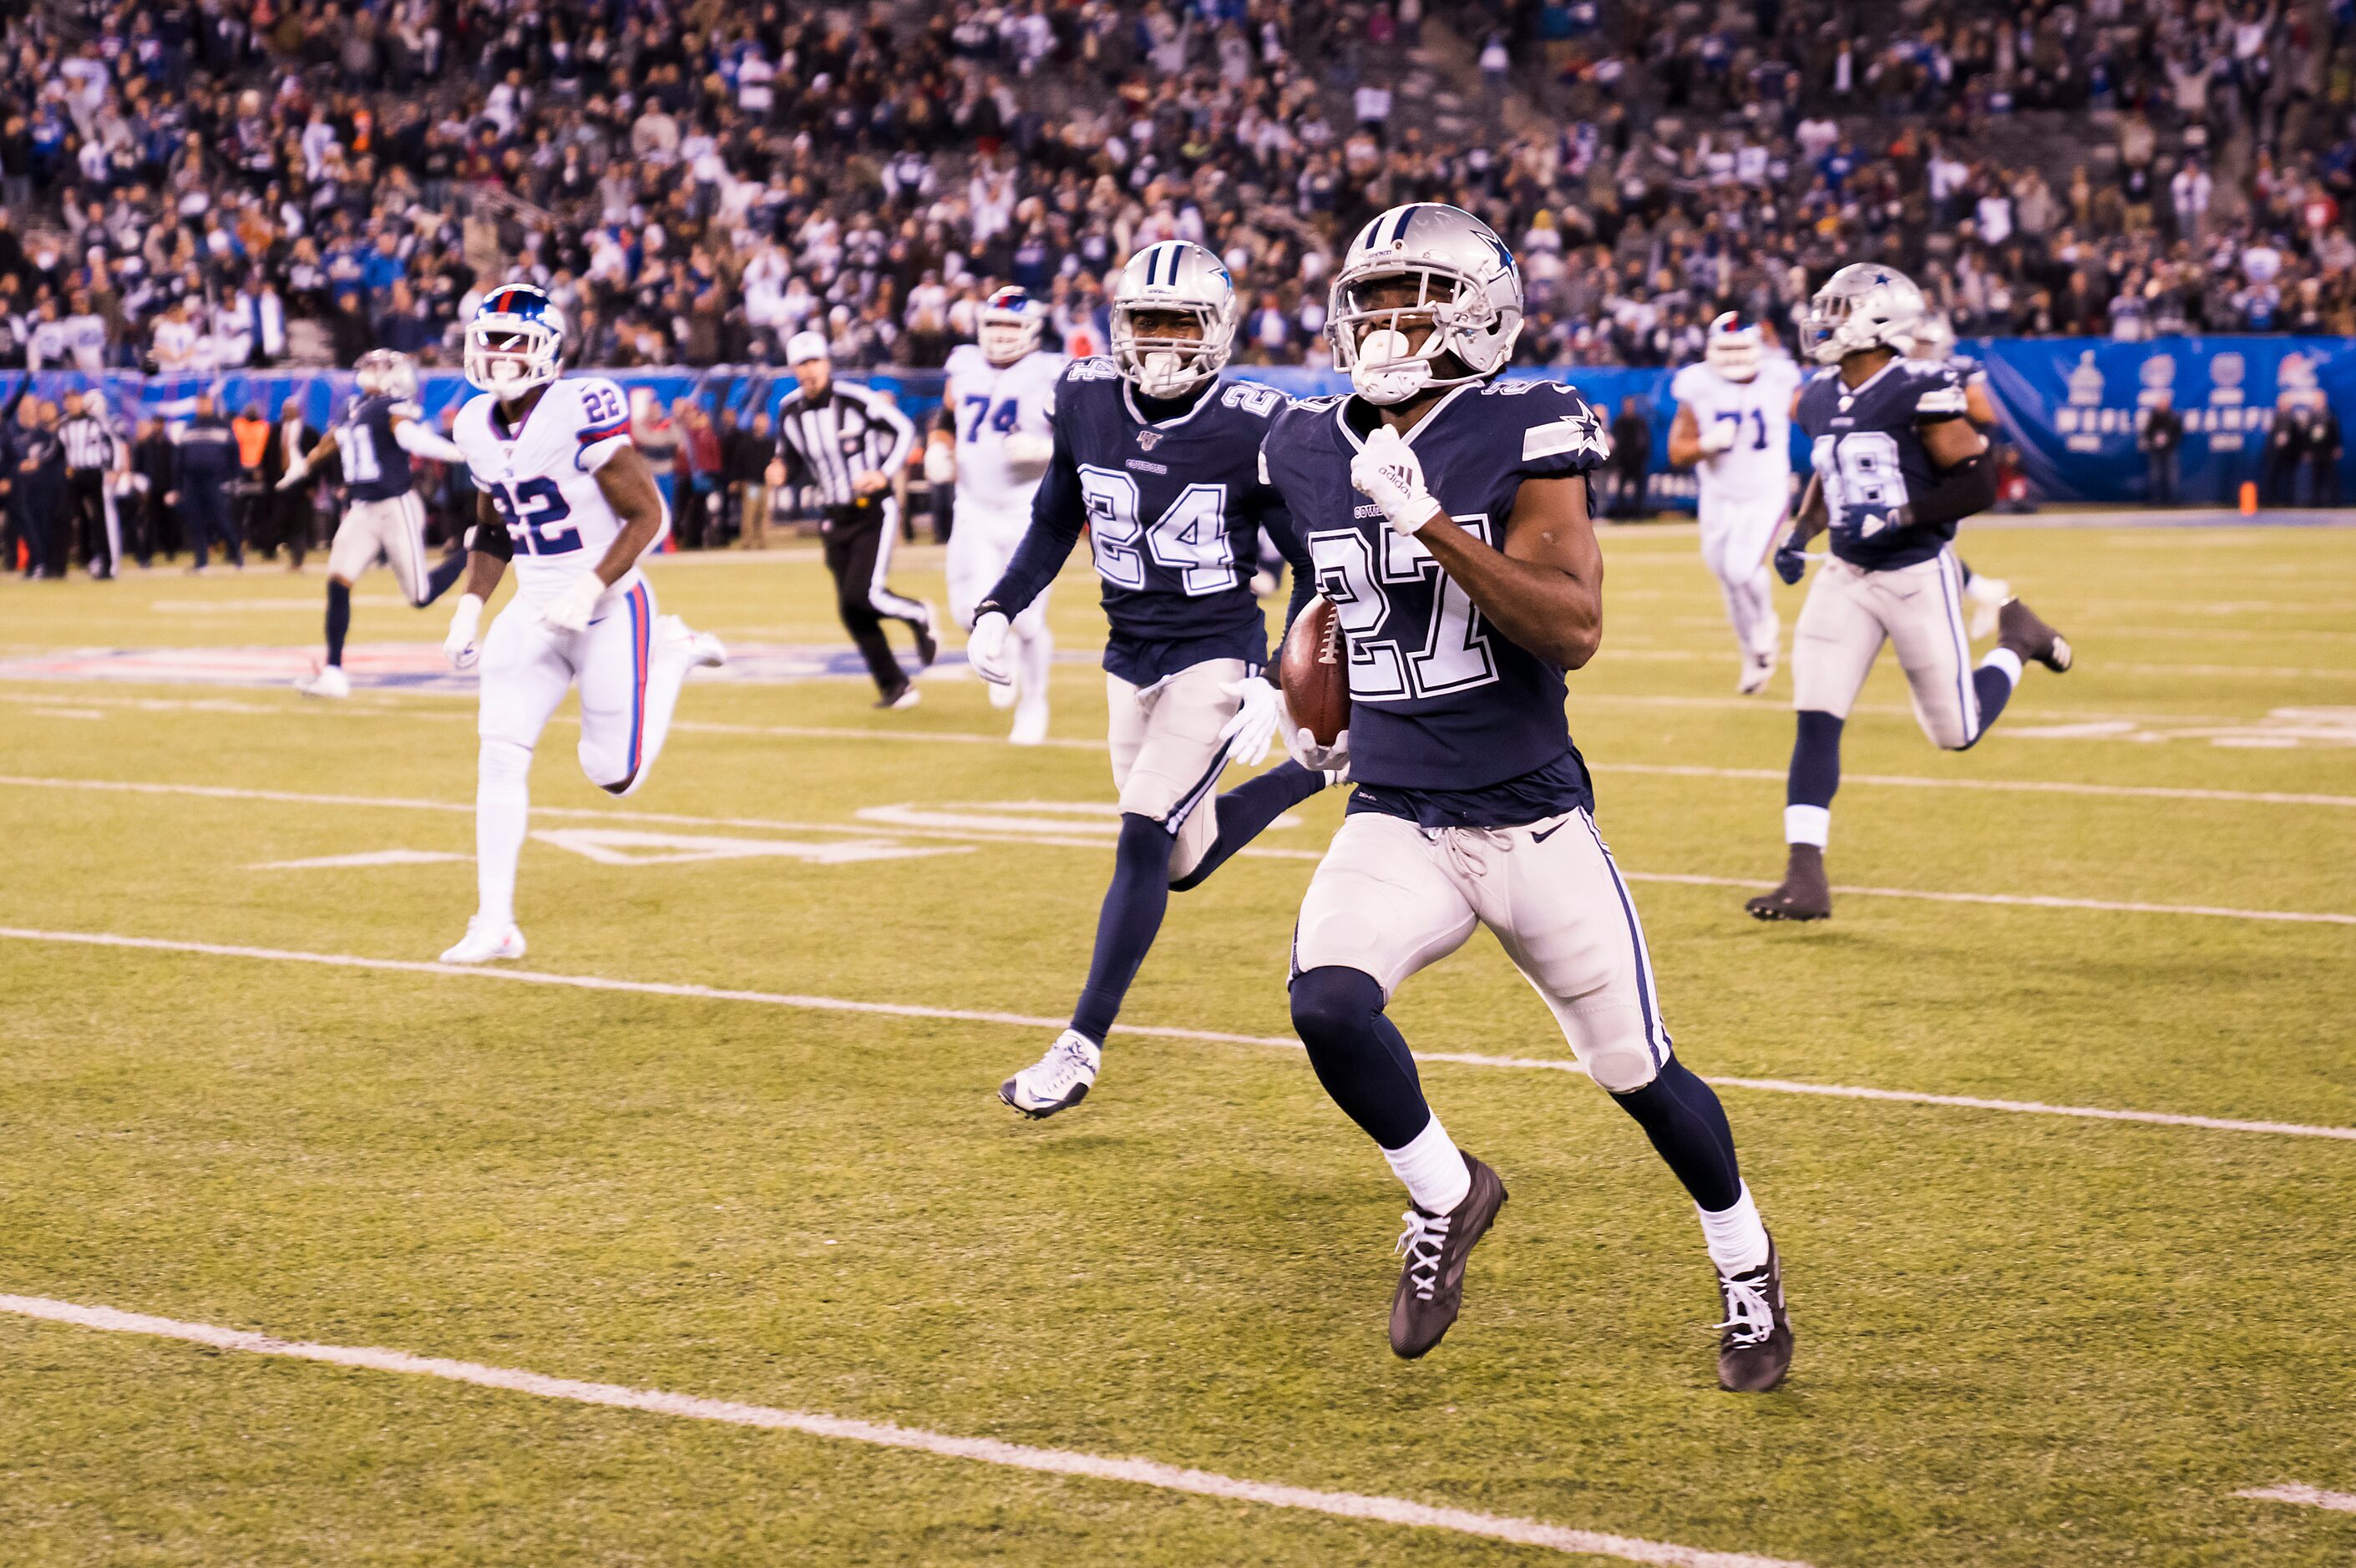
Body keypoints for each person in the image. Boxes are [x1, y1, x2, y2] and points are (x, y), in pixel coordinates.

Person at [1258, 202, 1793, 1391]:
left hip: (1531, 816)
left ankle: (1745, 1263)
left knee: (1637, 1072)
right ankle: (1449, 1192)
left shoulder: (1523, 424)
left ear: (1480, 315)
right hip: (1396, 811)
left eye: (1414, 300)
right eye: (1372, 300)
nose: (1384, 324)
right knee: (1327, 1006)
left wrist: (1429, 522)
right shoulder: (1300, 443)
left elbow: (1573, 625)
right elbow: (1321, 590)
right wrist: (1276, 676)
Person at [976, 240, 1331, 1119]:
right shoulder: (1085, 395)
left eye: (1181, 322)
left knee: (1141, 829)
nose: (1163, 341)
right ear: (1117, 326)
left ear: (1218, 330)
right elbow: (1056, 515)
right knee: (1178, 860)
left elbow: (1312, 566)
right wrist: (999, 605)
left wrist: (1276, 679)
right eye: (1146, 321)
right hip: (1124, 652)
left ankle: (1078, 1044)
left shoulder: (1256, 420)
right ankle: (1311, 772)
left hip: (1213, 652)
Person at [1747, 265, 2075, 923]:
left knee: (1955, 732)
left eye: (1839, 308)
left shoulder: (1921, 388)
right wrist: (1799, 531)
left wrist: (1898, 518)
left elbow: (1977, 482)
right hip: (1844, 576)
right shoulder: (1815, 395)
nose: (1824, 319)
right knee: (1815, 715)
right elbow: (1828, 472)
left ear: (1878, 321)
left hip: (1914, 575)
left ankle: (2018, 638)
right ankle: (1803, 876)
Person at [436, 283, 727, 964]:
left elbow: (648, 515)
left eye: (513, 340)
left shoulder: (581, 405)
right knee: (499, 754)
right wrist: (471, 604)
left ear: (547, 348)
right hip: (535, 605)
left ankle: (674, 650)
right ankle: (495, 922)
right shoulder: (473, 424)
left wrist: (593, 585)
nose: (498, 352)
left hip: (611, 602)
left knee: (612, 774)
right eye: (489, 338)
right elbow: (492, 530)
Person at [278, 349, 473, 698]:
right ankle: (334, 673)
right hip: (362, 508)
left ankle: (473, 549)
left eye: (375, 367)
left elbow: (408, 439)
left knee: (421, 595)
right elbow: (331, 442)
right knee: (338, 582)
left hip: (394, 505)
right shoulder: (352, 406)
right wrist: (304, 466)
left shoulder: (392, 407)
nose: (367, 371)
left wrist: (455, 452)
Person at [769, 331, 935, 707]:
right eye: (802, 364)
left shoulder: (856, 400)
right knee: (850, 608)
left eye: (815, 362)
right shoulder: (790, 409)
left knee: (865, 594)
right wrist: (780, 469)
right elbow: (791, 457)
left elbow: (904, 430)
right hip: (833, 515)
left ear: (827, 363)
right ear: (794, 369)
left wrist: (884, 472)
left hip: (873, 508)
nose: (809, 371)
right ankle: (895, 686)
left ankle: (918, 613)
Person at [930, 286, 1067, 742]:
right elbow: (946, 417)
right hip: (971, 505)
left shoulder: (1052, 372)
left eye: (1012, 325)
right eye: (995, 325)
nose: (1002, 335)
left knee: (1026, 620)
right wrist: (937, 445)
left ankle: (1034, 703)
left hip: (1028, 511)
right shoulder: (964, 364)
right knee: (963, 612)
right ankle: (998, 648)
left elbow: (1087, 439)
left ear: (1032, 330)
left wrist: (1048, 450)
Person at [1666, 313, 1802, 693]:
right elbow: (1678, 452)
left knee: (1742, 570)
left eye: (1742, 347)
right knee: (1726, 576)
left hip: (1766, 489)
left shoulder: (1780, 377)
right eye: (1727, 349)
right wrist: (1706, 444)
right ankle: (1753, 655)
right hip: (1719, 494)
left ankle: (1765, 627)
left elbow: (1809, 416)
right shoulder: (1697, 384)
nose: (1735, 357)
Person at [170, 393, 244, 572]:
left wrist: (234, 477)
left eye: (205, 404)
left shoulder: (223, 426)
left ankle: (236, 554)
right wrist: (178, 486)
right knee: (196, 521)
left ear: (211, 404)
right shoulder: (190, 427)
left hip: (214, 480)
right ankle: (201, 561)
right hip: (191, 481)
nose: (202, 407)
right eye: (199, 404)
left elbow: (234, 453)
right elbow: (180, 458)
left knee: (221, 519)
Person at [56, 388, 121, 578]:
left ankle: (107, 565)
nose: (71, 404)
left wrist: (110, 468)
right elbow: (59, 451)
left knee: (101, 519)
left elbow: (109, 444)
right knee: (68, 516)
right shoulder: (63, 425)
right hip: (74, 475)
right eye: (67, 400)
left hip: (94, 473)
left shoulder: (95, 422)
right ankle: (67, 564)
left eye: (74, 400)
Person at [261, 397, 322, 570]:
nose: (287, 412)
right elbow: (268, 455)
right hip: (279, 483)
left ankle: (297, 559)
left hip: (301, 485)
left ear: (299, 410)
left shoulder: (309, 433)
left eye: (290, 408)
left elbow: (317, 460)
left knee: (299, 523)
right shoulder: (275, 430)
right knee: (278, 519)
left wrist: (313, 485)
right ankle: (270, 551)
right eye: (285, 408)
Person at [13, 397, 66, 579]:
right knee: (31, 528)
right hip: (28, 489)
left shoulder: (53, 434)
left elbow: (50, 453)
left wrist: (36, 462)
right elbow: (17, 457)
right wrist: (19, 466)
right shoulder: (25, 435)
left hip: (50, 489)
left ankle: (47, 565)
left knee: (46, 527)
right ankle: (36, 563)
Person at [1607, 396, 1651, 518]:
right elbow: (1615, 443)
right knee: (1621, 490)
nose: (1629, 407)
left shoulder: (1640, 421)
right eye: (1627, 405)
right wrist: (1617, 462)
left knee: (1640, 489)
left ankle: (1639, 514)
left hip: (1637, 462)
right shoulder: (1619, 422)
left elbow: (1645, 441)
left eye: (1630, 405)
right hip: (1624, 462)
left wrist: (1642, 458)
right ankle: (1621, 514)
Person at [2138, 388, 2183, 506]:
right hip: (2155, 450)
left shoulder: (2174, 417)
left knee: (2171, 476)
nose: (2163, 405)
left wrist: (2169, 441)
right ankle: (2156, 500)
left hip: (2170, 449)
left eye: (2165, 403)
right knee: (2155, 476)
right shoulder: (2153, 417)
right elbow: (2147, 432)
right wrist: (2155, 441)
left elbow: (2178, 433)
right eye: (2161, 403)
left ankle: (2173, 501)